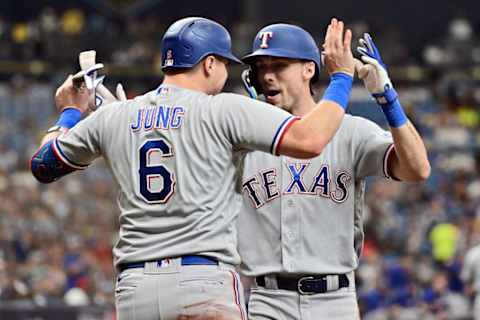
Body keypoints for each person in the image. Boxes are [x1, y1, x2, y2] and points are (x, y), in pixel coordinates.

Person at [30, 17, 356, 320]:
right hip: (203, 281)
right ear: (209, 63)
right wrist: (341, 78)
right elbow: (311, 139)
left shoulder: (116, 115)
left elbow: (43, 165)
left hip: (135, 288)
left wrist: (70, 113)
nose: (226, 71)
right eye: (224, 63)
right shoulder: (223, 110)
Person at [237, 24, 431, 319]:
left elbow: (417, 169)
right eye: (260, 67)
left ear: (308, 70)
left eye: (279, 65)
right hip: (267, 299)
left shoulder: (350, 131)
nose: (267, 75)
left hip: (334, 301)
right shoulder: (244, 138)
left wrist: (388, 99)